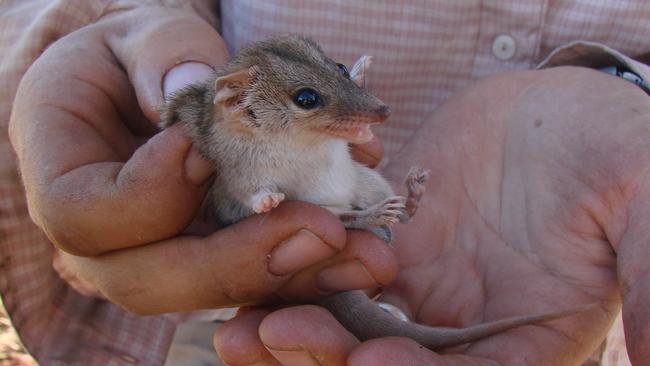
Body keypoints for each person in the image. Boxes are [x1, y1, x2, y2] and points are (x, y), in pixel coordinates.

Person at [1, 1, 649, 365]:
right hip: (205, 310)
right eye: (313, 97)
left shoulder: (303, 117)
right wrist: (124, 23)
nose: (364, 111)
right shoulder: (234, 132)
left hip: (571, 269)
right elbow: (233, 202)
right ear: (243, 108)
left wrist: (631, 92)